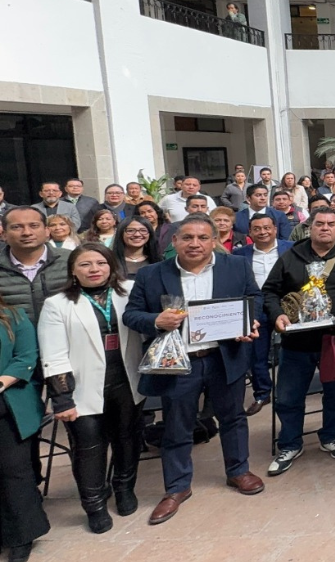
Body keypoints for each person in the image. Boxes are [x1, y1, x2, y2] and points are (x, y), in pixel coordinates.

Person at [122, 214, 264, 524]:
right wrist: (155, 321)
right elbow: (131, 315)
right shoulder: (150, 274)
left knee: (233, 417)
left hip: (224, 356)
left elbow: (254, 298)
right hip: (178, 361)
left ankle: (238, 471)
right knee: (177, 424)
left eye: (202, 237)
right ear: (173, 241)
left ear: (214, 240)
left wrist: (249, 321)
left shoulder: (235, 266)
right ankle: (177, 487)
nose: (195, 243)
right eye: (187, 237)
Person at [39, 243, 145, 533]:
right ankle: (94, 504)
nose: (94, 269)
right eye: (85, 264)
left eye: (100, 262)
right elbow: (53, 354)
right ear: (73, 270)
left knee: (127, 439)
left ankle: (124, 489)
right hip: (81, 389)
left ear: (111, 265)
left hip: (126, 380)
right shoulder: (57, 304)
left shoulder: (130, 291)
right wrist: (62, 398)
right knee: (89, 448)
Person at [263, 207, 335, 476]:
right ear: (310, 227)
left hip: (334, 340)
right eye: (320, 223)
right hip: (297, 342)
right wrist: (278, 315)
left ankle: (332, 436)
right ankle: (289, 443)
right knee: (288, 396)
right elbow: (270, 292)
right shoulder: (290, 257)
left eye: (331, 224)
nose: (325, 228)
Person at [0, 293, 49, 562]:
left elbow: (26, 356)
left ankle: (22, 535)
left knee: (13, 472)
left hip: (8, 402)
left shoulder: (15, 316)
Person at [230, 214, 291, 416]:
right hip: (255, 307)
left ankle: (290, 389)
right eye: (257, 228)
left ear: (275, 229)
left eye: (267, 228)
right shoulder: (239, 255)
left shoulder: (291, 248)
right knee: (257, 355)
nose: (263, 232)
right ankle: (262, 392)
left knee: (293, 352)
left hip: (286, 307)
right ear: (250, 232)